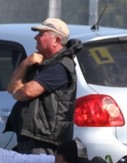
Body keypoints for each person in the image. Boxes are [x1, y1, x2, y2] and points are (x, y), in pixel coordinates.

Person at [5, 18, 81, 155]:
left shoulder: (60, 66)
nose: (35, 37)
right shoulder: (41, 63)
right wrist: (26, 63)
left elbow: (26, 92)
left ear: (56, 41)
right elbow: (11, 88)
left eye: (41, 34)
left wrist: (18, 92)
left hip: (44, 140)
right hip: (31, 137)